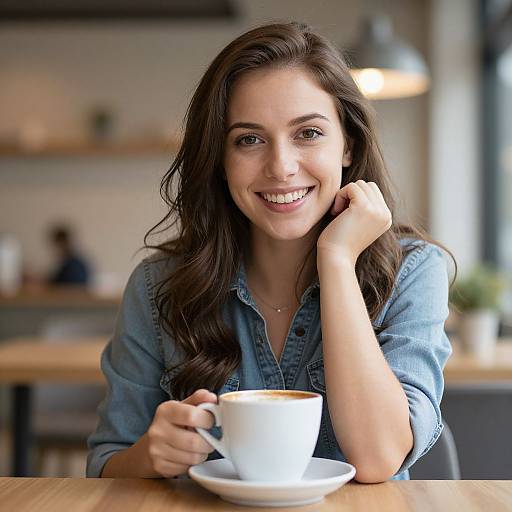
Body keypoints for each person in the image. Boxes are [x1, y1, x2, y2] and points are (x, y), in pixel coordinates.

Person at [87, 22, 453, 483]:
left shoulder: (413, 271)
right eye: (249, 139)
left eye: (308, 134)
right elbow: (106, 465)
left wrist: (337, 260)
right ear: (220, 160)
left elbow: (378, 458)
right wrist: (148, 456)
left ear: (348, 145)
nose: (281, 166)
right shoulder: (157, 286)